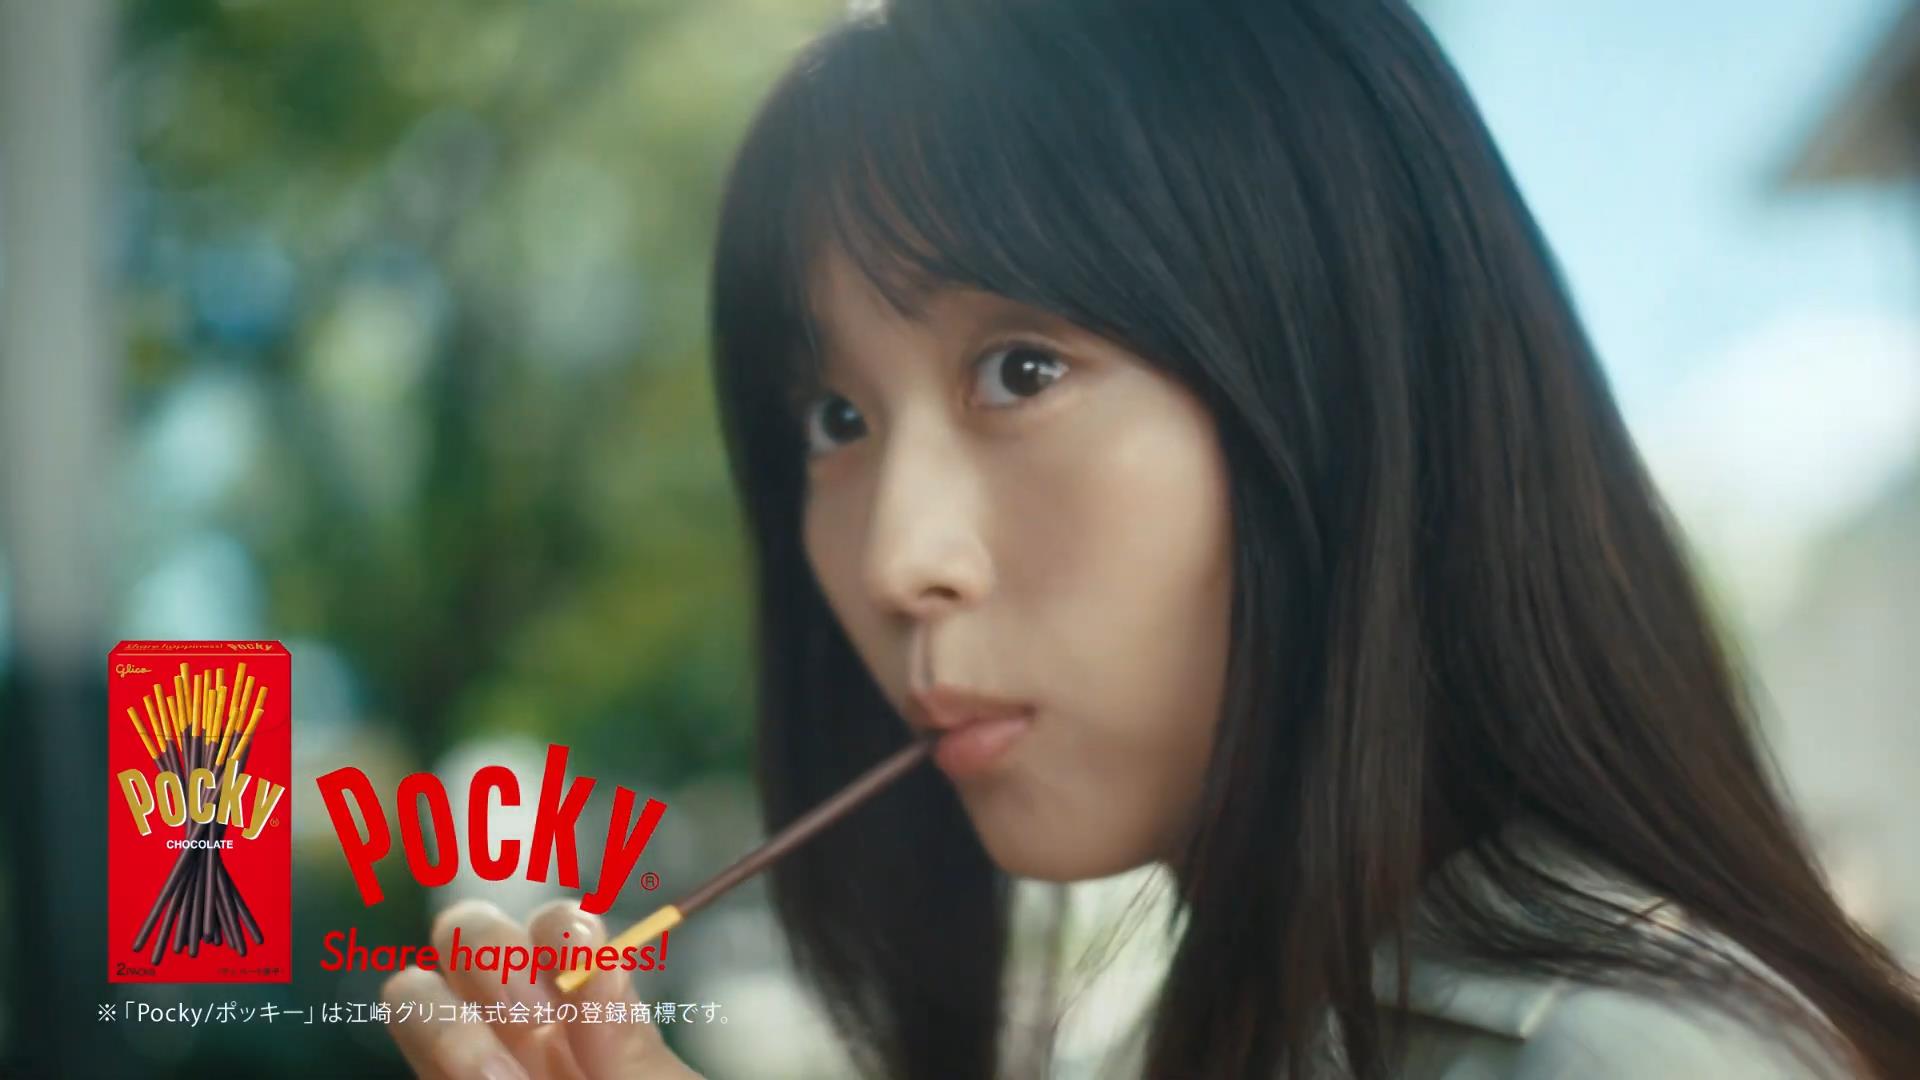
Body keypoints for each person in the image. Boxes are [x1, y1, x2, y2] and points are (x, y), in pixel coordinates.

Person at [383, 0, 1920, 1076]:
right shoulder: (1171, 1041)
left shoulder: (1626, 1060)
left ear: (1345, 378)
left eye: (1021, 372)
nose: (896, 561)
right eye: (836, 419)